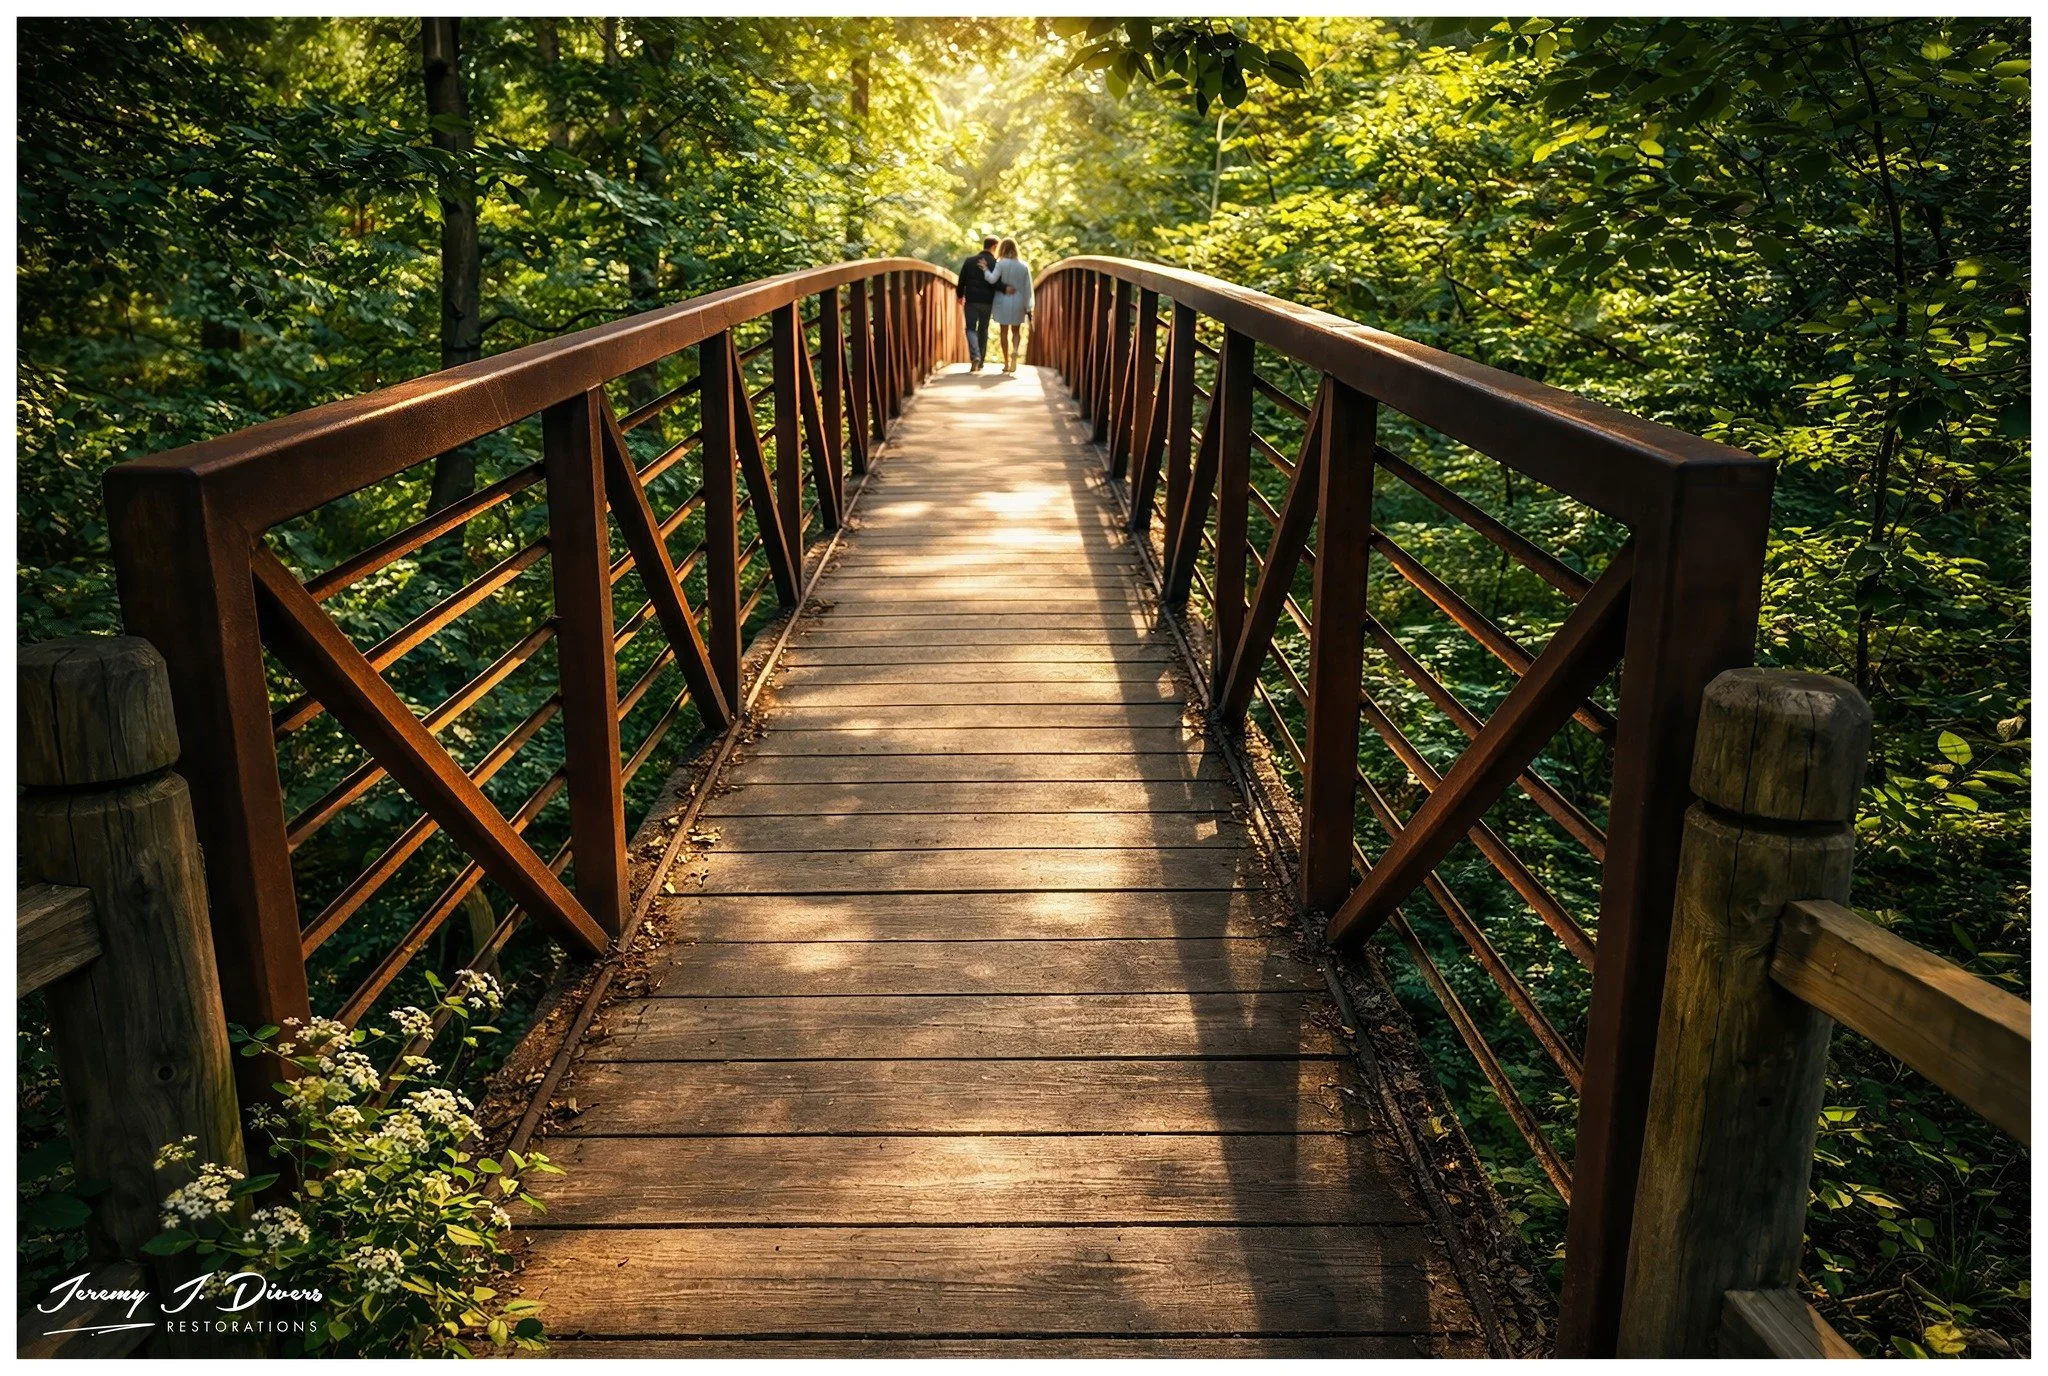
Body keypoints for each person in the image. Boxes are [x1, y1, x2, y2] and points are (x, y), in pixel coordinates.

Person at [983, 238, 1033, 374]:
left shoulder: (1000, 264)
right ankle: (1015, 351)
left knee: (1003, 331)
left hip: (1002, 300)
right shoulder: (1023, 266)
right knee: (1016, 331)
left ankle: (1006, 362)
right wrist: (1029, 305)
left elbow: (992, 279)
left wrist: (986, 270)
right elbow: (1028, 288)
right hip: (1018, 300)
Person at [953, 235, 1002, 372]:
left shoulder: (970, 261)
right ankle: (980, 362)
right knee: (983, 329)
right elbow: (997, 284)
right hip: (987, 302)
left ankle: (975, 356)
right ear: (994, 247)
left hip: (971, 301)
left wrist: (959, 295)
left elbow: (961, 280)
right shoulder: (995, 263)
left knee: (970, 328)